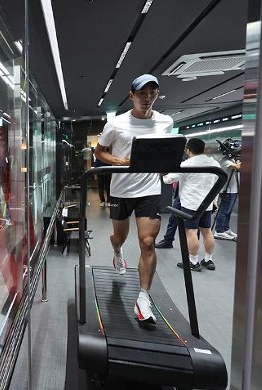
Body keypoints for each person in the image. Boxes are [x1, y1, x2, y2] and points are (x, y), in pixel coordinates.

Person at [94, 74, 173, 325]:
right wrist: (124, 162)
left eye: (152, 92)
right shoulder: (116, 124)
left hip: (149, 189)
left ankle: (143, 297)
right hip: (121, 190)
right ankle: (117, 251)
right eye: (142, 93)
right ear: (132, 95)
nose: (147, 97)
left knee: (148, 241)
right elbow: (100, 152)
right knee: (120, 236)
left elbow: (165, 150)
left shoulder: (166, 122)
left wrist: (163, 166)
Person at [162, 138, 221, 271]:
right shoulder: (214, 164)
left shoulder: (187, 164)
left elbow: (168, 180)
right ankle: (208, 260)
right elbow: (218, 185)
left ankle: (193, 262)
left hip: (191, 204)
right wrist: (215, 202)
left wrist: (164, 171)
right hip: (207, 203)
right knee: (207, 231)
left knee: (191, 231)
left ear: (187, 149)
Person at [213, 143, 241, 240]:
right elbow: (238, 167)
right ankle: (219, 231)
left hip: (233, 190)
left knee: (228, 212)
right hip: (227, 190)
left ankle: (225, 228)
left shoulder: (232, 160)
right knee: (224, 211)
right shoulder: (225, 161)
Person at [155, 182, 181, 249]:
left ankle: (193, 255)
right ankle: (168, 240)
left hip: (191, 194)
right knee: (173, 218)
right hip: (183, 193)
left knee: (193, 226)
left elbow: (169, 179)